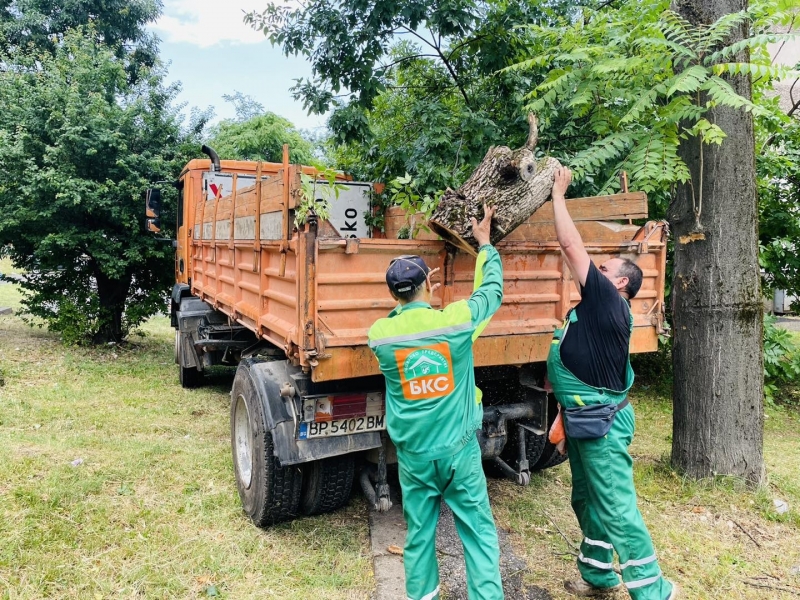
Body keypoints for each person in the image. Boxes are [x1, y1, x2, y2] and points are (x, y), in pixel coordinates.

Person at [547, 167, 678, 600]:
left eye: (604, 268)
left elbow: (569, 245)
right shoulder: (596, 309)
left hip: (601, 427)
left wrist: (558, 195)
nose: (595, 271)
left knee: (618, 509)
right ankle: (599, 571)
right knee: (586, 500)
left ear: (619, 282)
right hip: (586, 420)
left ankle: (652, 589)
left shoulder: (608, 299)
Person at [367, 204, 504, 600]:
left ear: (392, 293)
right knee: (478, 532)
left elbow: (405, 323)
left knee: (419, 534)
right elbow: (490, 293)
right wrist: (484, 244)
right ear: (430, 283)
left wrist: (421, 305)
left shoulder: (381, 336)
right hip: (459, 454)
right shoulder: (456, 323)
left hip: (414, 458)